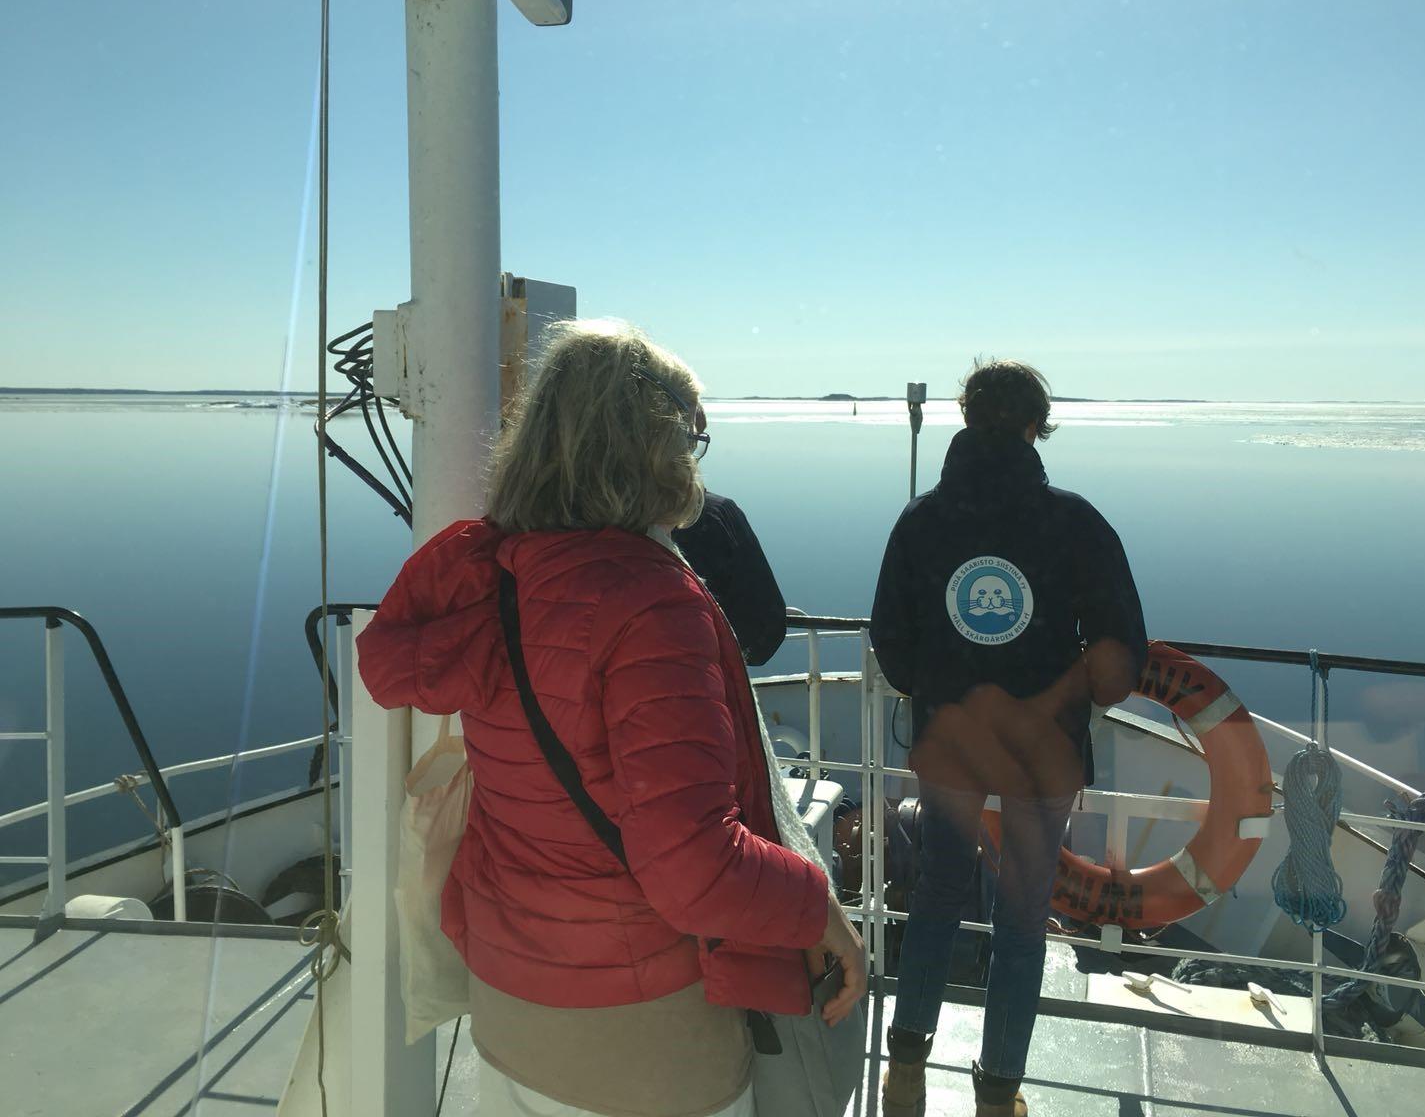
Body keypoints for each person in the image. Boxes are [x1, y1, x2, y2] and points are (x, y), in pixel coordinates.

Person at [357, 319, 865, 1117]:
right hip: (639, 1035)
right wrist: (821, 910)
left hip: (511, 994)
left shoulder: (494, 574)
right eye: (691, 438)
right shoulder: (649, 603)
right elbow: (695, 869)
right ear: (653, 445)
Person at [870, 359, 1147, 1117]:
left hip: (950, 743)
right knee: (1023, 918)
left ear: (965, 418)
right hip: (1042, 753)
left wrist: (936, 690)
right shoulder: (1076, 522)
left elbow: (892, 638)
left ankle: (904, 1075)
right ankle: (997, 1095)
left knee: (937, 896)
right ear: (1036, 426)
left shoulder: (921, 520)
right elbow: (1120, 652)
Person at [674, 489, 789, 666]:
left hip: (665, 659)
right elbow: (766, 614)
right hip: (715, 658)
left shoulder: (638, 528)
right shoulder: (719, 510)